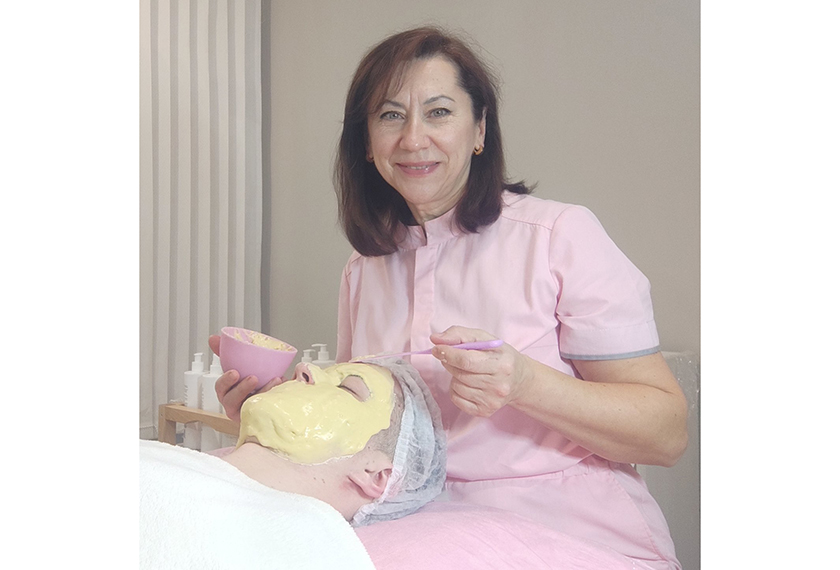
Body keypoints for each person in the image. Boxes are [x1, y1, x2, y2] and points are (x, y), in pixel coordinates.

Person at [214, 26, 688, 570]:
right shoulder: (364, 269)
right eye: (391, 115)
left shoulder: (559, 237)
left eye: (438, 112)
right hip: (412, 530)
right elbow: (367, 441)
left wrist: (525, 383)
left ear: (479, 129)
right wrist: (271, 413)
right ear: (366, 143)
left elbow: (666, 435)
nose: (413, 139)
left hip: (564, 530)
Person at [140, 358, 446, 569]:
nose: (304, 367)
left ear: (375, 475)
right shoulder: (154, 455)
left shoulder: (310, 550)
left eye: (347, 388)